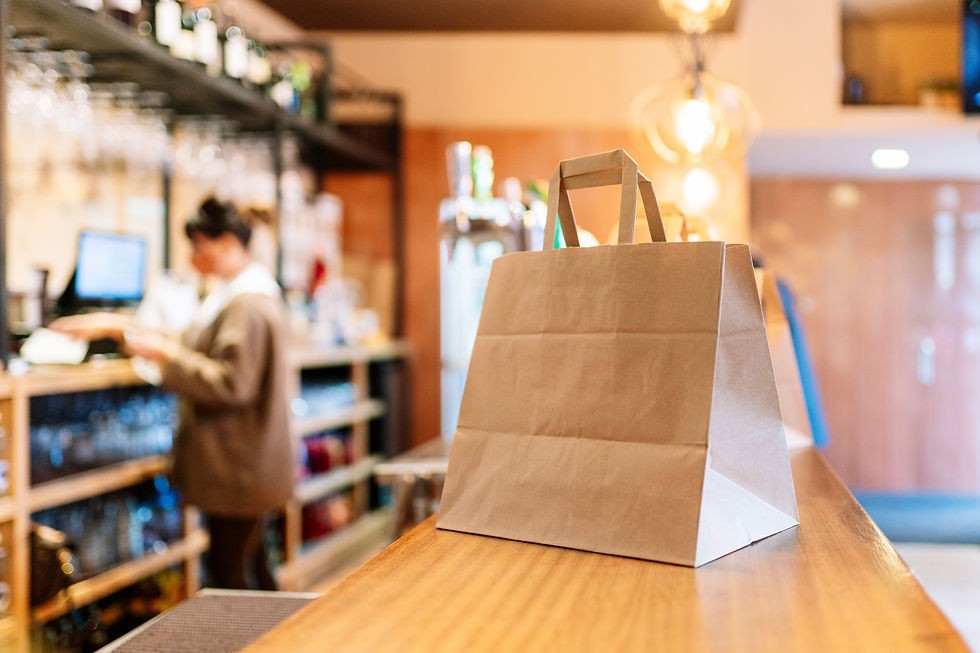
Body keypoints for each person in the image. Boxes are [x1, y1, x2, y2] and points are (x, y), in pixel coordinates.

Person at [52, 198, 294, 590]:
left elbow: (229, 384)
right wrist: (117, 327)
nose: (193, 257)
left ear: (229, 243)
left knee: (229, 574)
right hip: (249, 465)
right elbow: (192, 341)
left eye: (200, 246)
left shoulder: (246, 303)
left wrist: (166, 356)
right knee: (254, 568)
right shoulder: (242, 293)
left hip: (240, 466)